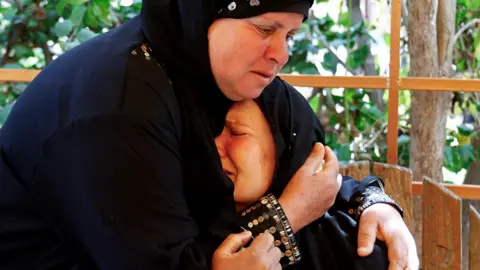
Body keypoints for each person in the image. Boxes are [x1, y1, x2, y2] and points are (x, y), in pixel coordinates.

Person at [0, 1, 418, 269]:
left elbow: (309, 172)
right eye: (263, 28)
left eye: (290, 34)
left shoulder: (196, 67)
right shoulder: (118, 107)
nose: (282, 53)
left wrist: (367, 201)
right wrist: (287, 215)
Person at [213, 98, 390, 269]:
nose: (214, 145)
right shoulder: (190, 225)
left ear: (289, 149)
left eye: (237, 133)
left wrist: (377, 203)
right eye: (211, 132)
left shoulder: (349, 247)